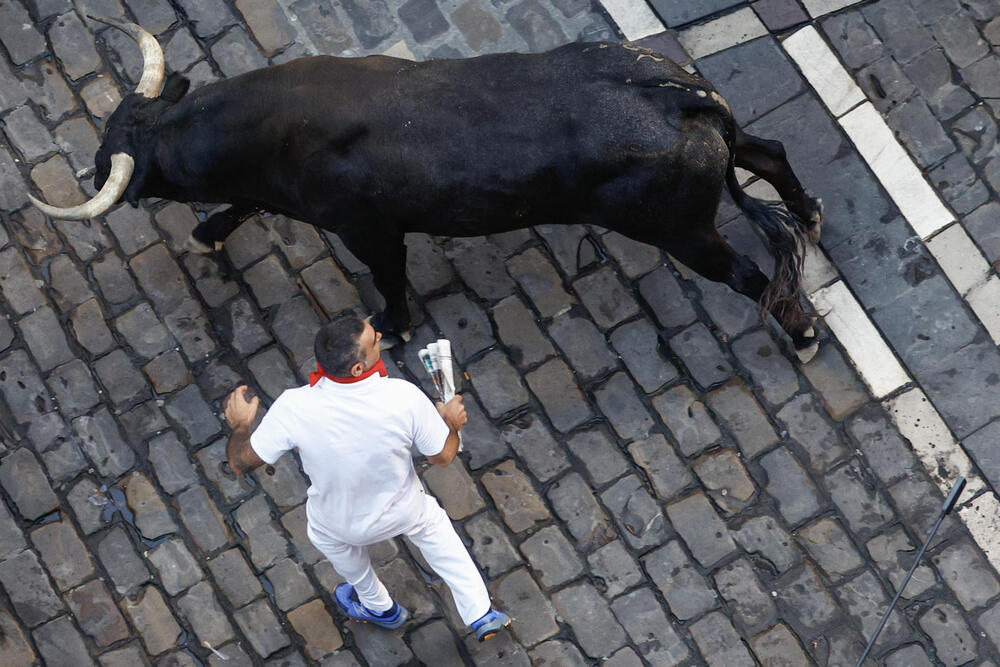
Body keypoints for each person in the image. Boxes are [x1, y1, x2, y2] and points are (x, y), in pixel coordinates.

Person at [223, 315, 511, 641]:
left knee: (332, 543)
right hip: (404, 509)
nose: (378, 335)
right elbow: (443, 456)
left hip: (340, 522)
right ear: (358, 369)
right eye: (375, 339)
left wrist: (241, 425)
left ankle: (379, 607)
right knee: (435, 528)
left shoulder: (293, 407)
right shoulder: (404, 397)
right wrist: (452, 424)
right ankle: (479, 612)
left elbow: (239, 463)